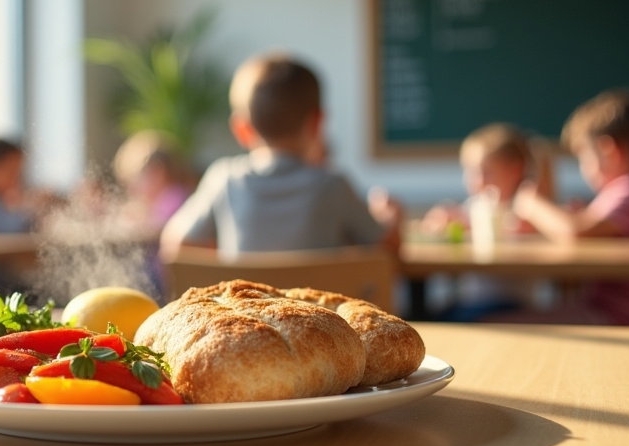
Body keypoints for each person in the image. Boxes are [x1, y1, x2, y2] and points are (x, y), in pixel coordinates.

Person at [160, 52, 400, 258]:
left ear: (242, 129)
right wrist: (391, 217)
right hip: (318, 312)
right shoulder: (333, 186)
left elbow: (175, 245)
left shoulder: (224, 179)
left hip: (245, 312)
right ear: (317, 123)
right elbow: (388, 248)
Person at [503, 89, 629, 325]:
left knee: (496, 325)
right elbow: (589, 230)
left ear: (609, 151)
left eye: (584, 156)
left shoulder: (628, 187)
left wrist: (532, 204)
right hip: (600, 308)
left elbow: (577, 232)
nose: (583, 167)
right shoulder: (616, 192)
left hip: (615, 317)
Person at [422, 123, 554, 320]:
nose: (478, 180)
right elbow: (458, 224)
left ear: (514, 170)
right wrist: (446, 222)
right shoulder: (477, 205)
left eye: (487, 172)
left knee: (434, 321)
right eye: (471, 172)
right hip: (473, 303)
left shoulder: (529, 207)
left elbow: (546, 237)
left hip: (513, 305)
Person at [112, 130, 191, 239]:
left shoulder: (175, 197)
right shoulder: (157, 203)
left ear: (157, 172)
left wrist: (140, 222)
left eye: (135, 180)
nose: (131, 188)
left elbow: (163, 227)